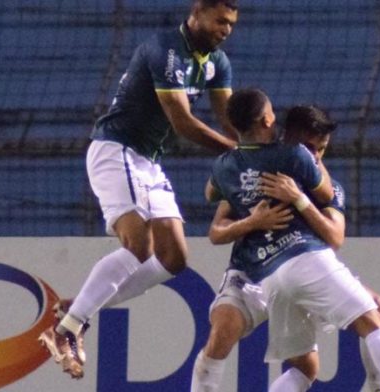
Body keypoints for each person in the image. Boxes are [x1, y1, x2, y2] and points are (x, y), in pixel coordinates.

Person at [38, 0, 239, 379]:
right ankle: (66, 330)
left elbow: (230, 119)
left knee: (174, 256)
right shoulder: (164, 50)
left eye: (231, 24)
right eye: (219, 20)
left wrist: (256, 150)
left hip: (147, 161)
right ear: (197, 13)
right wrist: (237, 152)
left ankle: (77, 311)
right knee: (139, 247)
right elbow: (181, 121)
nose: (225, 29)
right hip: (117, 151)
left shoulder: (217, 63)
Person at [203, 88, 380, 391]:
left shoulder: (238, 166)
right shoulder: (291, 160)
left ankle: (377, 387)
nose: (315, 155)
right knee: (372, 318)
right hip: (287, 265)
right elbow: (218, 224)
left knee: (307, 366)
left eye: (322, 149)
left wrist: (298, 199)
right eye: (310, 147)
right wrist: (258, 218)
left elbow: (335, 235)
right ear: (279, 131)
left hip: (272, 279)